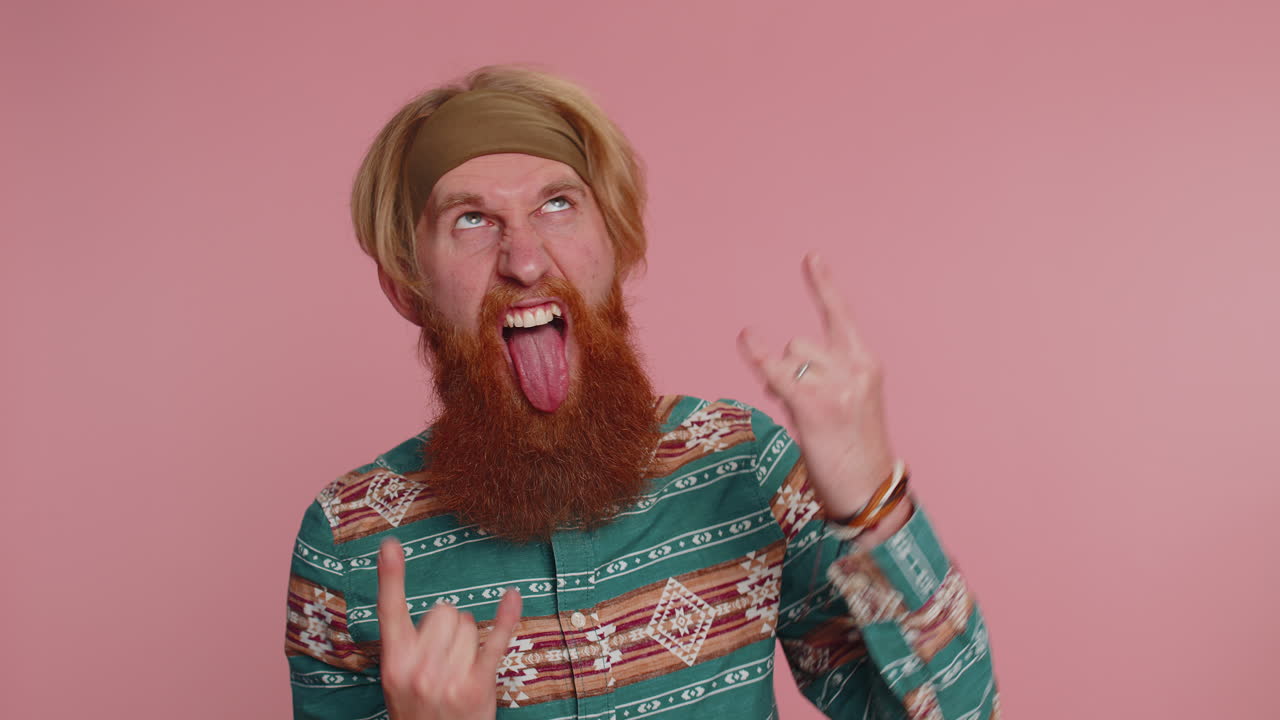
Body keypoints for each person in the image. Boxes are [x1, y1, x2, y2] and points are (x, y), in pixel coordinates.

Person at [284, 65, 998, 720]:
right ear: (408, 287)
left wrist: (874, 506)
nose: (526, 260)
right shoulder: (347, 542)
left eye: (558, 205)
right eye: (471, 220)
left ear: (615, 242)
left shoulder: (743, 466)